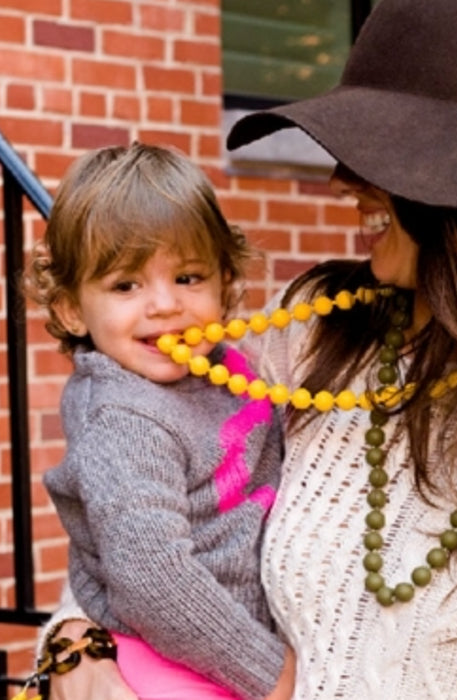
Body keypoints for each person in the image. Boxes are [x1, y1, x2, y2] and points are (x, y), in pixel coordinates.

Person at [40, 0, 457, 698]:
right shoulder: (315, 333)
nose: (343, 181)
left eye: (390, 152)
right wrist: (77, 645)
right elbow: (136, 515)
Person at [25, 142, 295, 700]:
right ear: (73, 308)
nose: (164, 305)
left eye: (189, 278)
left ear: (225, 282)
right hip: (167, 662)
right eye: (126, 285)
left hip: (216, 650)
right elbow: (152, 576)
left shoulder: (225, 366)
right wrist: (270, 673)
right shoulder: (125, 418)